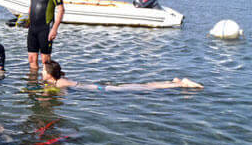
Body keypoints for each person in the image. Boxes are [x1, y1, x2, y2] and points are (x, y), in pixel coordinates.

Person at [41, 61, 204, 91]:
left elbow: (59, 95)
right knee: (146, 86)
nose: (41, 73)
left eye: (43, 71)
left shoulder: (60, 83)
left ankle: (181, 84)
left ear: (49, 75)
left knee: (146, 88)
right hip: (103, 88)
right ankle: (173, 82)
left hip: (108, 90)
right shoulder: (59, 81)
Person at [24, 0, 65, 69]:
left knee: (45, 61)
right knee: (31, 59)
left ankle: (47, 83)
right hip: (32, 29)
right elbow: (32, 5)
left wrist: (54, 29)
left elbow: (61, 9)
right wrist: (27, 20)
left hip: (45, 28)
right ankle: (33, 83)